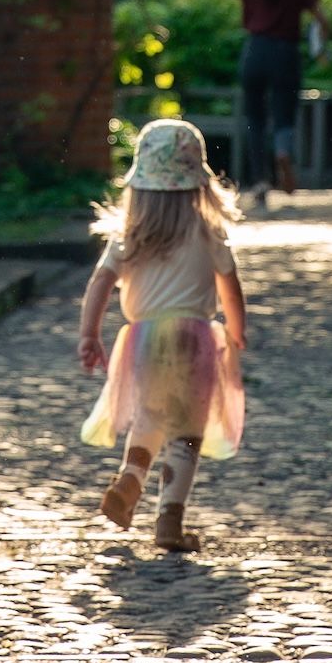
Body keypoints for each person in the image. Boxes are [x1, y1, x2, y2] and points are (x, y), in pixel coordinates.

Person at [78, 114, 247, 558]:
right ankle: (170, 516)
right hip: (195, 340)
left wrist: (90, 335)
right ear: (200, 183)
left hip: (143, 340)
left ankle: (130, 480)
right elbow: (231, 285)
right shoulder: (209, 230)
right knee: (187, 429)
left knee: (149, 417)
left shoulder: (129, 234)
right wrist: (237, 328)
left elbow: (100, 282)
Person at [211, 0, 322, 200]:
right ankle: (283, 152)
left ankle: (260, 180)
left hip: (255, 52)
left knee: (255, 117)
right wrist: (321, 46)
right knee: (284, 113)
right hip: (286, 53)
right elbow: (323, 21)